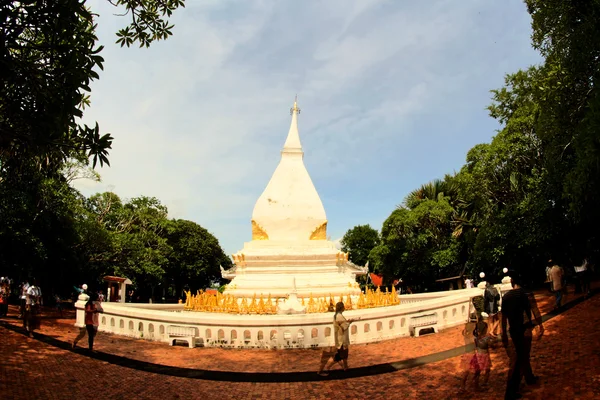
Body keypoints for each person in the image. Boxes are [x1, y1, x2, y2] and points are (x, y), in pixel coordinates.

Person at [501, 274, 543, 400]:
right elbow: (535, 309)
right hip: (525, 330)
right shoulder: (527, 294)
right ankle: (510, 392)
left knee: (521, 357)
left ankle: (529, 377)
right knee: (518, 360)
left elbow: (503, 317)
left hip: (513, 331)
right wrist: (540, 324)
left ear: (512, 283)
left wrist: (503, 332)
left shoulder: (507, 296)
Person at [319, 302, 357, 375]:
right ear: (341, 307)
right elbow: (343, 327)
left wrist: (347, 322)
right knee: (340, 355)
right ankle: (328, 367)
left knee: (344, 355)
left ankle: (345, 368)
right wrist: (350, 322)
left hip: (340, 338)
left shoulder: (337, 315)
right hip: (341, 339)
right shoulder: (339, 316)